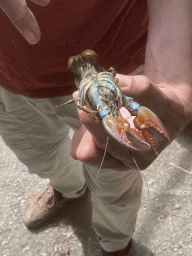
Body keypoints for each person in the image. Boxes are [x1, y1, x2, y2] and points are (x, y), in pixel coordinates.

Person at [0, 0, 192, 255]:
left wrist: (170, 70)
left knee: (116, 173)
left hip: (117, 49)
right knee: (38, 155)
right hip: (9, 75)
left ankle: (115, 243)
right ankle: (69, 188)